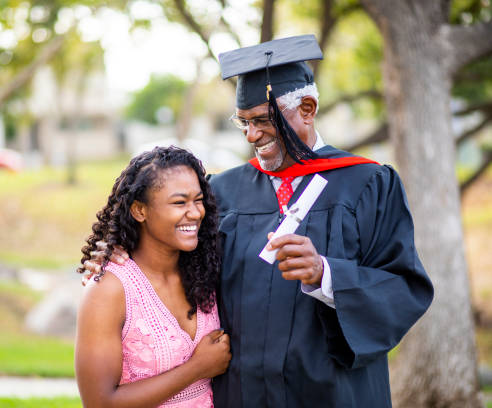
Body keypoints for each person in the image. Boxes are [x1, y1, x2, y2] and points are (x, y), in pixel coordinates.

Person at [84, 34, 434, 407]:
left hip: (333, 393)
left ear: (308, 109)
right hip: (242, 393)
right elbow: (176, 255)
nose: (252, 135)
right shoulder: (224, 190)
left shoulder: (367, 184)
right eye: (244, 122)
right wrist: (123, 253)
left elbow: (404, 287)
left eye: (264, 121)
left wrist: (325, 274)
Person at [74, 146, 231, 408]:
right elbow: (99, 403)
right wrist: (196, 369)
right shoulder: (110, 289)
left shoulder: (206, 269)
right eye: (179, 202)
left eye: (198, 200)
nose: (195, 213)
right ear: (139, 211)